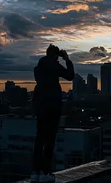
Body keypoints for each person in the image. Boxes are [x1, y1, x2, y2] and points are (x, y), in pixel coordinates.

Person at [31, 44, 75, 182]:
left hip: (40, 105)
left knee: (39, 138)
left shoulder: (38, 68)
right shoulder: (55, 65)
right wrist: (67, 59)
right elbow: (70, 76)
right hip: (53, 106)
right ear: (56, 56)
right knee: (50, 138)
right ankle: (46, 173)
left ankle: (36, 172)